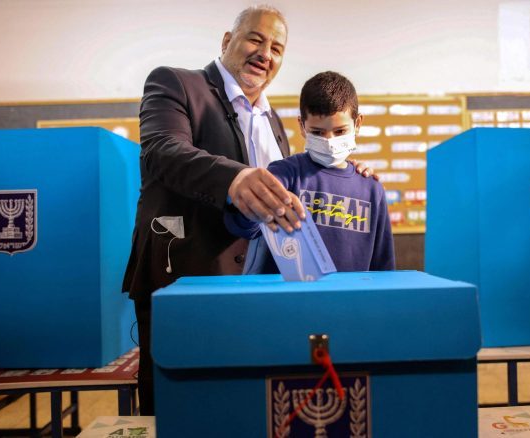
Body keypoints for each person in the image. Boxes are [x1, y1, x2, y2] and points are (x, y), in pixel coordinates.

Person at [123, 6, 375, 415]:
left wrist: (351, 172)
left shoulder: (275, 123)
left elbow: (297, 185)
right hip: (188, 282)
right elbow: (163, 151)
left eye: (277, 48)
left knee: (244, 410)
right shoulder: (176, 83)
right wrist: (234, 179)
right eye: (256, 39)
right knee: (181, 410)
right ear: (228, 41)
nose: (265, 53)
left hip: (259, 294)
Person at [225, 71, 395, 272]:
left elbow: (383, 264)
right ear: (302, 126)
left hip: (351, 292)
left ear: (357, 124)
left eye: (340, 131)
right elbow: (245, 226)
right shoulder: (285, 174)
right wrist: (249, 207)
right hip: (291, 291)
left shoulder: (371, 188)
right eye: (318, 132)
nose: (329, 141)